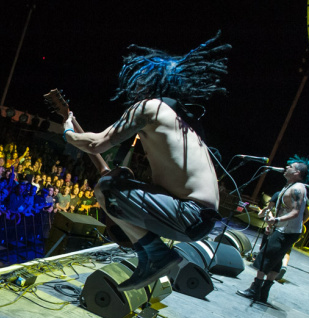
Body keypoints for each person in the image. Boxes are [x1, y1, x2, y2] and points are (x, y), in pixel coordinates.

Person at [62, 34, 229, 290]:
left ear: (150, 82)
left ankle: (156, 254)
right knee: (120, 179)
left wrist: (68, 133)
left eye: (139, 80)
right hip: (199, 218)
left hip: (187, 214)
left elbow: (96, 144)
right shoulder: (184, 122)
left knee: (106, 189)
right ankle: (151, 256)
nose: (135, 86)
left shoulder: (149, 108)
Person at [238, 158, 309, 304]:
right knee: (277, 260)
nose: (286, 167)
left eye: (290, 166)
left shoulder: (297, 188)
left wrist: (276, 221)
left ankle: (255, 290)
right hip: (283, 229)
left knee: (265, 256)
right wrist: (273, 224)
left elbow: (296, 212)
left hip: (287, 231)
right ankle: (263, 293)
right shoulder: (289, 186)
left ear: (297, 172)